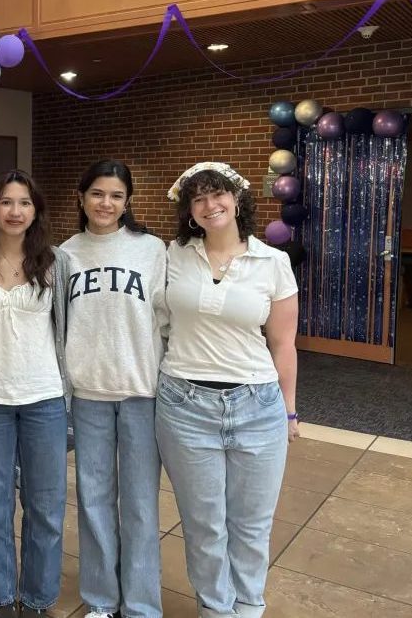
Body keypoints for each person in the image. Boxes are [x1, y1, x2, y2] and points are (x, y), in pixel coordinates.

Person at [156, 162, 299, 618]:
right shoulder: (172, 255)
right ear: (189, 210)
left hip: (258, 404)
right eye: (197, 198)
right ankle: (216, 608)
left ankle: (249, 606)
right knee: (204, 525)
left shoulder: (273, 262)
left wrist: (289, 411)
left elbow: (283, 344)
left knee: (251, 524)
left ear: (237, 199)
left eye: (217, 194)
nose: (209, 205)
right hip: (184, 405)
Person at [0, 170, 71, 617]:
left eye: (24, 203)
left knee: (46, 506)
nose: (15, 211)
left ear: (36, 211)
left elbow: (68, 326)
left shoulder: (57, 262)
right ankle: (0, 597)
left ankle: (38, 598)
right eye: (6, 202)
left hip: (45, 398)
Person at [61, 159, 167, 618]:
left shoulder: (152, 249)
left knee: (141, 503)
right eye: (97, 193)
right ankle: (102, 600)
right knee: (94, 500)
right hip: (88, 393)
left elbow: (166, 319)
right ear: (81, 197)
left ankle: (141, 604)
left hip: (141, 391)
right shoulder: (63, 255)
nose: (106, 203)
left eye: (116, 195)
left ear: (127, 202)